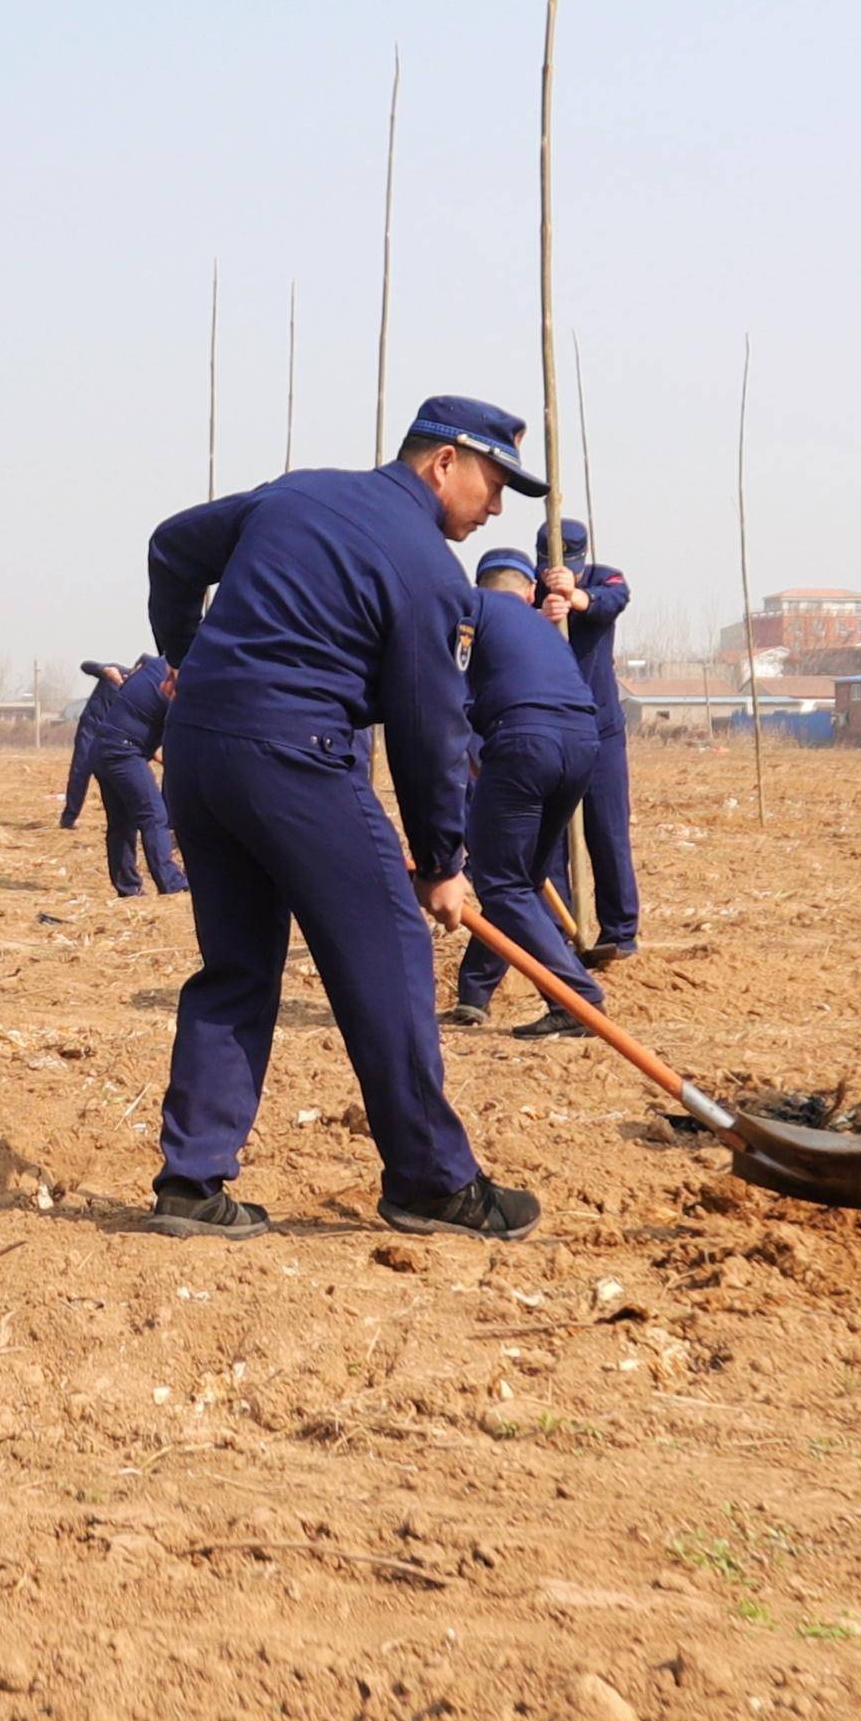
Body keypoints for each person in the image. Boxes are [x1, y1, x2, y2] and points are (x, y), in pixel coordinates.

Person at [135, 395, 539, 1242]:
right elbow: (431, 730)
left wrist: (187, 653)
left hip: (199, 753)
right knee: (387, 960)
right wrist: (441, 860)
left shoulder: (296, 493)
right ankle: (432, 1180)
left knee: (237, 966)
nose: (497, 506)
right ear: (443, 463)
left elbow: (172, 544)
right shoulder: (431, 573)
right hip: (293, 757)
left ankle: (191, 1182)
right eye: (494, 482)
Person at [446, 549, 606, 1034]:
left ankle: (577, 1000)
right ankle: (475, 994)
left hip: (524, 743)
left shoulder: (468, 613)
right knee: (520, 883)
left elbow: (449, 692)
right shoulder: (543, 626)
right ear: (530, 591)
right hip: (582, 744)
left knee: (500, 882)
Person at [554, 519, 643, 960]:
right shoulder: (534, 591)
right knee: (549, 840)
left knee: (607, 832)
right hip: (550, 733)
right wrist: (543, 613)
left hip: (601, 730)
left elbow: (615, 600)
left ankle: (620, 933)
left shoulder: (602, 578)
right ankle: (555, 933)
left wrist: (577, 598)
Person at [57, 654, 186, 896]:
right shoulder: (175, 679)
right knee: (153, 815)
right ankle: (171, 883)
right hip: (123, 753)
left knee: (121, 823)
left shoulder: (152, 671)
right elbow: (180, 727)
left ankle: (128, 886)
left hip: (103, 749)